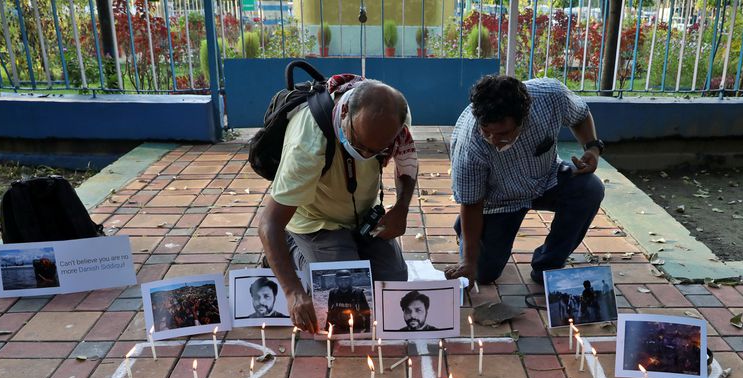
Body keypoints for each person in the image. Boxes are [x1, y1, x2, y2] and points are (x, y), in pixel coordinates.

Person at [259, 75, 418, 334]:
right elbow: (269, 222)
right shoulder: (307, 144)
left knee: (393, 283)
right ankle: (290, 247)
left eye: (378, 150)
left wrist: (401, 208)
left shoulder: (395, 117)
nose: (367, 155)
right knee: (342, 303)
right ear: (344, 112)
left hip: (363, 214)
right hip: (315, 220)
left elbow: (407, 160)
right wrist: (293, 293)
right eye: (360, 145)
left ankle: (346, 248)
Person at [444, 75, 606, 286]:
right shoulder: (469, 146)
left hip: (545, 179)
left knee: (590, 189)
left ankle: (548, 266)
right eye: (487, 131)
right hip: (497, 201)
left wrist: (592, 148)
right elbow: (472, 204)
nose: (494, 140)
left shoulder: (551, 97)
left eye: (503, 133)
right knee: (484, 273)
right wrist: (468, 261)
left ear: (524, 117)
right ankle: (469, 234)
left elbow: (581, 115)